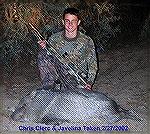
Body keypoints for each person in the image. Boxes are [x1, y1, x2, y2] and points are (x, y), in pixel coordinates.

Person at [38, 8, 98, 91]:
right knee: (43, 54)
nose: (70, 24)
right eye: (67, 21)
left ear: (78, 22)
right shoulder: (54, 38)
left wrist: (89, 82)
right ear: (63, 22)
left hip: (77, 78)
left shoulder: (87, 41)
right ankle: (49, 88)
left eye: (73, 21)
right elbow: (49, 58)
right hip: (61, 74)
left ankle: (66, 88)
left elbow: (92, 64)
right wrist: (44, 47)